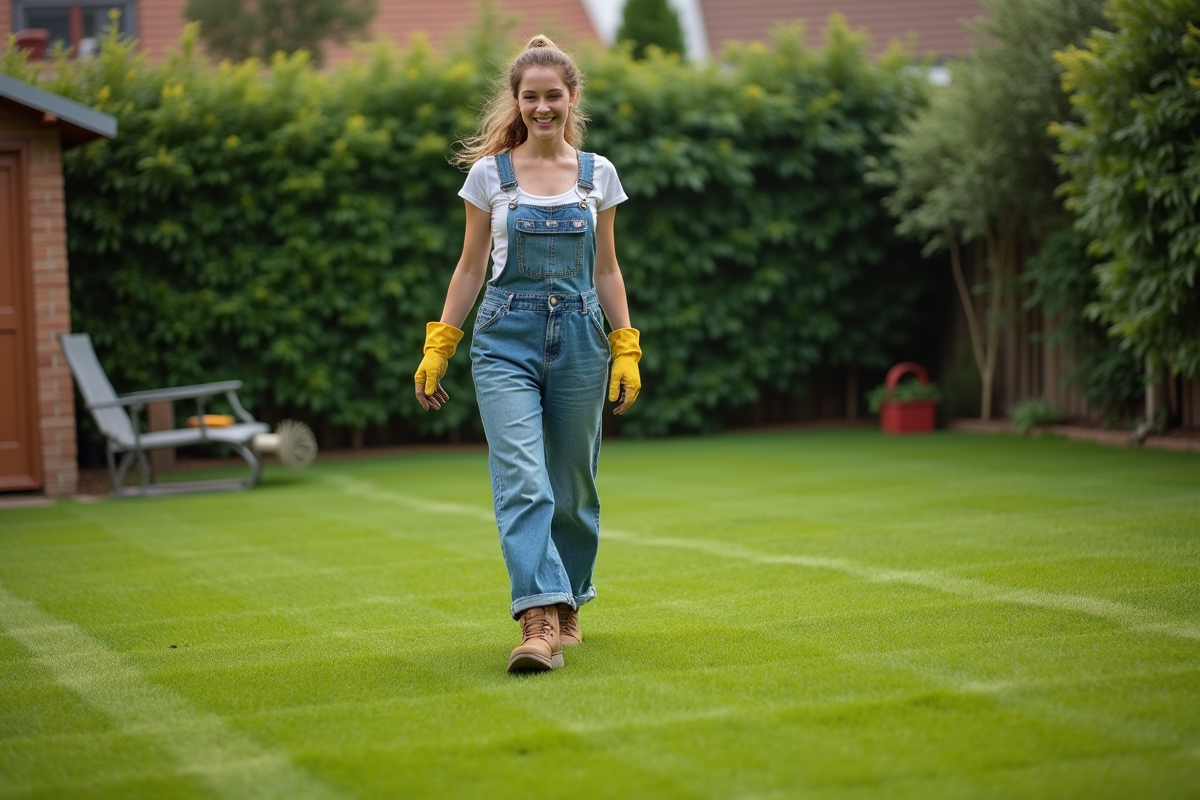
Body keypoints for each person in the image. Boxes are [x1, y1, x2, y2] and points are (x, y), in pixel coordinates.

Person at [413, 35, 641, 674]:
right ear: (516, 101)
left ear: (572, 97)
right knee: (522, 478)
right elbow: (469, 267)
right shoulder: (490, 175)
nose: (542, 107)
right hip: (503, 340)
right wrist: (441, 342)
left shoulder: (598, 174)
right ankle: (537, 618)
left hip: (581, 340)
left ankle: (569, 600)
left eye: (553, 96)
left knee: (572, 487)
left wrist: (625, 345)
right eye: (531, 97)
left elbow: (607, 269)